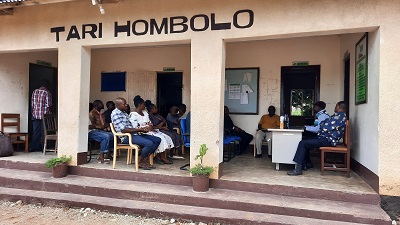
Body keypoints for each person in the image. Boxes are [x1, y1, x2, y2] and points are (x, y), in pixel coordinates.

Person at [287, 101, 347, 176]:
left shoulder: (338, 117)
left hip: (328, 140)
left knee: (302, 143)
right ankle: (306, 163)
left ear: (340, 107)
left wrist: (308, 127)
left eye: (336, 106)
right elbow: (325, 125)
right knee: (306, 140)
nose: (335, 107)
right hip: (327, 138)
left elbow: (323, 126)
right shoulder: (339, 116)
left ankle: (298, 168)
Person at [111, 97, 161, 170]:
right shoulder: (115, 114)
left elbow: (131, 126)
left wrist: (141, 129)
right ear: (118, 105)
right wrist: (138, 130)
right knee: (149, 143)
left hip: (134, 134)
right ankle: (140, 162)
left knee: (157, 140)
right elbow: (124, 130)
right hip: (126, 137)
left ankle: (144, 159)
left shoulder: (124, 113)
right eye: (124, 104)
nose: (126, 105)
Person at [129, 96, 174, 165]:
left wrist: (150, 126)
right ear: (139, 105)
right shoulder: (133, 115)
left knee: (166, 137)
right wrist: (145, 128)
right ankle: (158, 157)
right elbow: (135, 127)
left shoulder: (145, 113)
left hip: (149, 130)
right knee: (160, 139)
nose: (145, 106)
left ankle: (151, 157)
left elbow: (150, 122)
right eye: (144, 104)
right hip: (141, 133)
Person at [302, 101, 330, 169]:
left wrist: (306, 128)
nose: (313, 108)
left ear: (318, 107)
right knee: (305, 139)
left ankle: (305, 163)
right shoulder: (321, 115)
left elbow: (318, 129)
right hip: (321, 136)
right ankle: (307, 162)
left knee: (303, 142)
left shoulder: (322, 116)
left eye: (314, 107)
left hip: (322, 138)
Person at [30, 80, 52, 152]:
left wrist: (34, 111)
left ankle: (34, 147)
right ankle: (43, 148)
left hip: (35, 114)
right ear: (47, 86)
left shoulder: (35, 91)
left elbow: (32, 104)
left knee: (36, 132)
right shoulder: (47, 92)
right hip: (44, 115)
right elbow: (49, 105)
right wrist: (50, 113)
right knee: (44, 132)